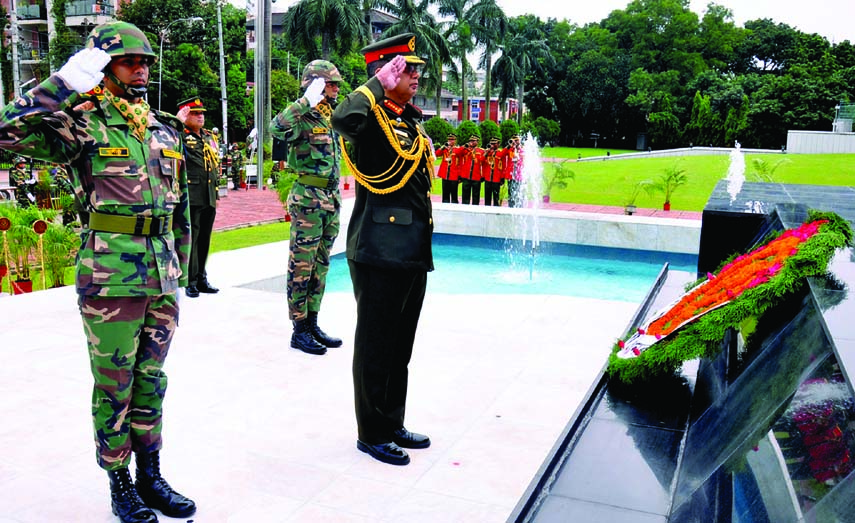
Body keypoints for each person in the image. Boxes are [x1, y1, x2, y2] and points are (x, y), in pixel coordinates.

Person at [0, 21, 196, 523]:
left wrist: (184, 269)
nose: (142, 69)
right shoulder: (80, 122)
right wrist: (62, 84)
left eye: (146, 61)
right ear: (103, 69)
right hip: (110, 277)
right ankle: (119, 483)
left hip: (160, 275)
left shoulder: (160, 128)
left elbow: (181, 209)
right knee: (115, 385)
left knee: (151, 378)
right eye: (130, 61)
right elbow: (5, 132)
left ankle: (151, 475)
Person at [331, 33, 434, 466]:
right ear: (386, 69)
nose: (414, 76)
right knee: (376, 345)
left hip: (410, 247)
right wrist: (375, 83)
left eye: (416, 69)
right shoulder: (370, 115)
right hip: (379, 248)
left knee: (399, 346)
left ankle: (391, 421)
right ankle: (371, 432)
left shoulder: (407, 119)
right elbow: (342, 118)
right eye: (406, 68)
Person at [269, 59, 344, 356]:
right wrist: (304, 101)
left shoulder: (329, 117)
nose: (336, 88)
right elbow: (275, 128)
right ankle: (298, 329)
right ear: (315, 85)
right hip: (308, 199)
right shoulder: (301, 116)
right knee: (301, 266)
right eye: (330, 83)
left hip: (330, 200)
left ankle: (313, 322)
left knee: (321, 265)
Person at [177, 97, 220, 298]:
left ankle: (202, 277)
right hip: (191, 195)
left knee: (204, 238)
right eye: (195, 113)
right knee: (191, 239)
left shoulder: (209, 137)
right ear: (185, 115)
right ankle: (190, 280)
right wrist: (177, 123)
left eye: (202, 113)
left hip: (209, 194)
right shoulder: (179, 136)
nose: (201, 116)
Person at [454, 134, 484, 205]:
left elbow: (483, 163)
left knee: (476, 196)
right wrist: (464, 146)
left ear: (477, 142)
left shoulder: (481, 151)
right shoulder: (465, 150)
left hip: (476, 176)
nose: (472, 142)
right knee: (465, 195)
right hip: (466, 176)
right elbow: (456, 153)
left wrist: (483, 176)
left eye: (474, 141)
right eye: (470, 141)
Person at [481, 137, 508, 206]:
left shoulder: (500, 153)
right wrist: (486, 153)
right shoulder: (487, 152)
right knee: (487, 197)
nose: (492, 145)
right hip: (488, 178)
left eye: (494, 144)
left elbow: (504, 167)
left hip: (496, 179)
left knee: (496, 198)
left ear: (498, 144)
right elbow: (481, 161)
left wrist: (502, 178)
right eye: (491, 143)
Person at [435, 133, 459, 203]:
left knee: (454, 195)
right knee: (445, 195)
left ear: (455, 141)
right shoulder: (444, 149)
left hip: (454, 175)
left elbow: (460, 163)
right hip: (445, 174)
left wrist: (459, 175)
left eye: (452, 139)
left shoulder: (457, 149)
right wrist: (442, 147)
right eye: (449, 139)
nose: (450, 141)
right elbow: (436, 154)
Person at [506, 135, 524, 207]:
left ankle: (520, 207)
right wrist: (509, 146)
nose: (515, 142)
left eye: (517, 140)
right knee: (511, 193)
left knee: (519, 192)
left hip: (519, 176)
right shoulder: (510, 150)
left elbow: (522, 160)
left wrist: (517, 149)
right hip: (511, 175)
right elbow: (502, 154)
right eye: (514, 140)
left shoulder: (522, 150)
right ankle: (511, 207)